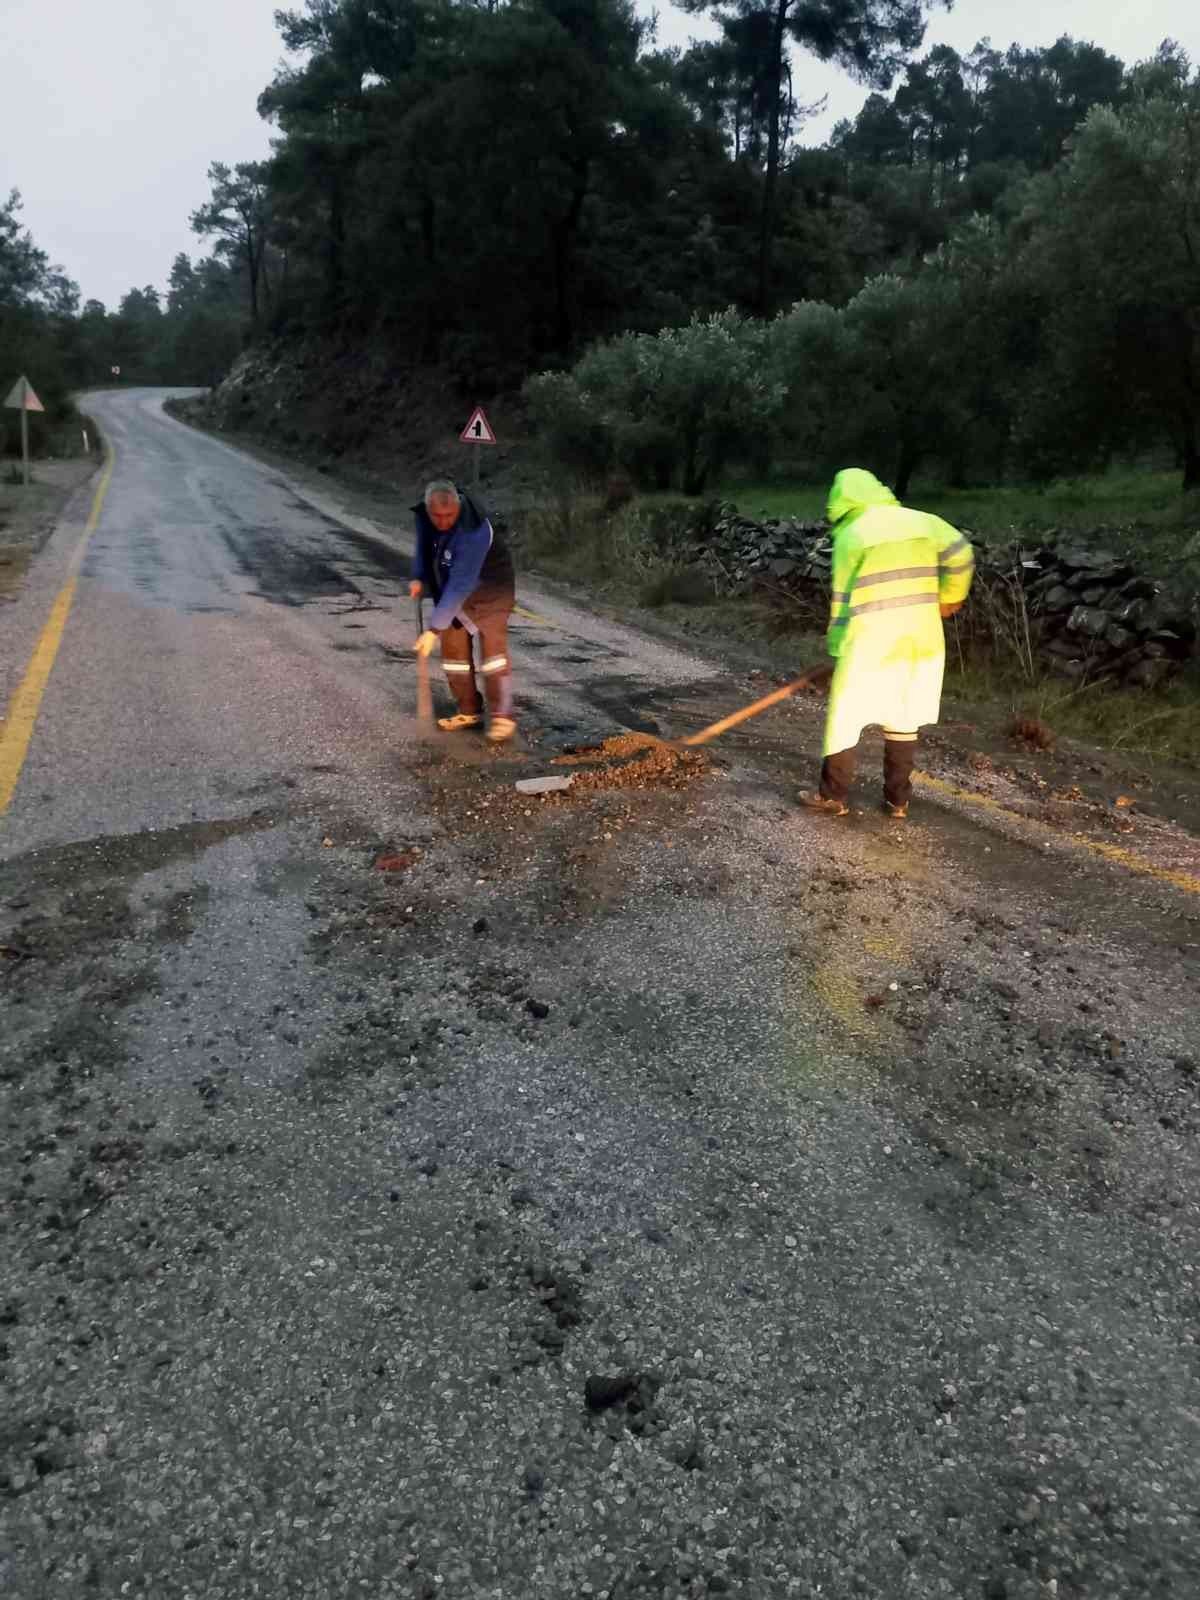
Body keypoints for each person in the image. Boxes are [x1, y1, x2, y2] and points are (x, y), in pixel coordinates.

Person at [799, 468, 974, 819]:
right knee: (903, 716)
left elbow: (842, 601)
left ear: (840, 501)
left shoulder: (852, 534)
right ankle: (898, 801)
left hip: (870, 641)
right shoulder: (925, 521)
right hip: (920, 640)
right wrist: (951, 595)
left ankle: (833, 795)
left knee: (846, 717)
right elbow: (962, 552)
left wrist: (837, 649)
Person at [410, 479, 517, 742]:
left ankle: (502, 716)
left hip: (492, 588)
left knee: (493, 654)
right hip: (454, 585)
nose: (443, 522)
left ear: (458, 508)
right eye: (437, 516)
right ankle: (469, 711)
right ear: (428, 509)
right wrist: (419, 577)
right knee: (453, 651)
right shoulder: (426, 516)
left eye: (449, 516)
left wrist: (433, 630)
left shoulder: (474, 531)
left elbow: (461, 583)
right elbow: (424, 549)